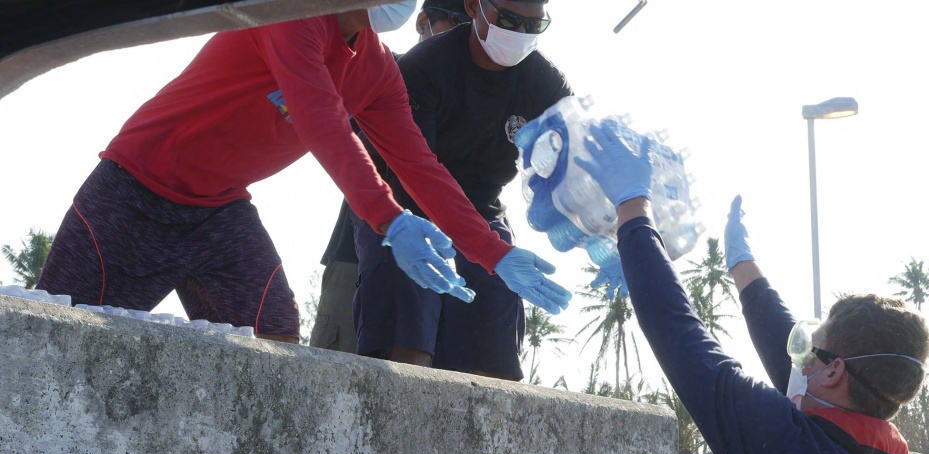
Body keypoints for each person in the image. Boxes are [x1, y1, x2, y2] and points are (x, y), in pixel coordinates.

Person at [36, 1, 571, 344]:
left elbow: (420, 166)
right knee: (47, 341)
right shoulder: (286, 14)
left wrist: (492, 251)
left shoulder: (379, 70)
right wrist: (391, 219)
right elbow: (324, 126)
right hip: (132, 193)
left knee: (274, 344)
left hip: (219, 211)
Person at [574, 119, 929, 454]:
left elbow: (680, 332)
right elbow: (798, 370)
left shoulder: (792, 452)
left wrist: (632, 208)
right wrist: (743, 269)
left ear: (836, 370)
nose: (797, 361)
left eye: (809, 351)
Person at [348, 0, 572, 380]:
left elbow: (577, 161)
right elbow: (415, 173)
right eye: (508, 21)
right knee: (410, 295)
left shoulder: (545, 84)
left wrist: (609, 223)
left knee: (497, 303)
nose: (519, 34)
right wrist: (481, 246)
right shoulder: (424, 67)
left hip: (483, 207)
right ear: (474, 7)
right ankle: (400, 409)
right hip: (403, 204)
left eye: (532, 27)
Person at [310, 0, 472, 353]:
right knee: (332, 382)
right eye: (458, 24)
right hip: (355, 259)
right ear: (424, 22)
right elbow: (343, 145)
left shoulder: (476, 96)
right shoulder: (377, 69)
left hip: (445, 270)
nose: (466, 40)